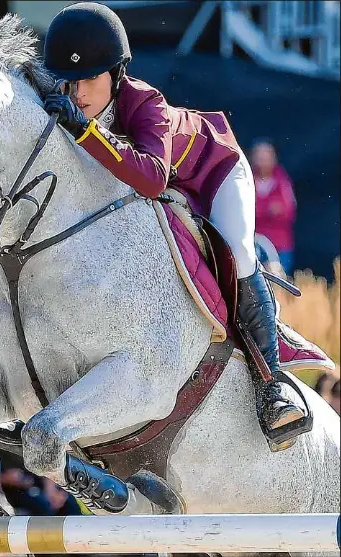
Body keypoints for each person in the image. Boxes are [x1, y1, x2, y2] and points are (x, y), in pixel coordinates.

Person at [42, 2, 305, 449]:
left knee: (239, 253)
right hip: (164, 193)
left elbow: (150, 178)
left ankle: (272, 386)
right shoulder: (70, 102)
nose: (78, 92)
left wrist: (85, 131)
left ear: (116, 74)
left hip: (214, 174)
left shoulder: (145, 103)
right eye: (71, 81)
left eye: (89, 79)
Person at [250, 139, 297, 275]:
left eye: (266, 157)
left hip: (280, 246)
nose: (263, 161)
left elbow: (288, 212)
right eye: (259, 157)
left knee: (279, 281)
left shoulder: (282, 181)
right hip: (253, 245)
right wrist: (268, 209)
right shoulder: (246, 179)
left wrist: (259, 209)